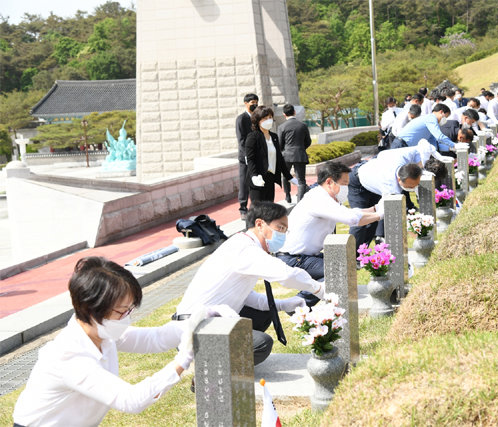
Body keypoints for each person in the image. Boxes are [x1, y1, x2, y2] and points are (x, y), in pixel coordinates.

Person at [12, 257, 224, 426]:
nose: (127, 318)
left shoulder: (102, 332)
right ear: (90, 308)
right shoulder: (69, 355)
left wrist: (195, 322)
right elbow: (130, 400)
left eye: (130, 309)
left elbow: (155, 338)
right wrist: (182, 361)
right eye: (122, 311)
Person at [175, 202, 324, 365]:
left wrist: (282, 304)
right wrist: (317, 288)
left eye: (285, 231)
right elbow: (286, 275)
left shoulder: (243, 244)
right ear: (260, 224)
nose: (283, 235)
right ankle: (211, 368)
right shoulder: (245, 249)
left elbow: (246, 297)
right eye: (280, 228)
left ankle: (224, 356)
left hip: (209, 320)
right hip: (195, 328)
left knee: (267, 310)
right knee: (260, 344)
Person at [277, 161, 384, 305]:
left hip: (306, 256)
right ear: (329, 182)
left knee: (343, 266)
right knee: (339, 270)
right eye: (344, 184)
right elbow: (351, 219)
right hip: (294, 258)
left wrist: (374, 209)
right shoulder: (319, 199)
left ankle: (304, 300)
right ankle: (298, 303)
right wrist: (379, 215)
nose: (347, 188)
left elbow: (350, 212)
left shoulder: (326, 197)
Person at [347, 143, 446, 251]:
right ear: (399, 180)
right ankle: (351, 257)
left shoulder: (403, 163)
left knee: (372, 224)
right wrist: (415, 230)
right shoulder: (391, 187)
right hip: (358, 182)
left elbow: (424, 145)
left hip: (373, 178)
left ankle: (361, 254)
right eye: (410, 186)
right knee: (360, 222)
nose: (413, 188)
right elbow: (390, 213)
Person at [245, 105, 297, 204]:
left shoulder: (274, 137)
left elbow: (279, 159)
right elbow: (250, 159)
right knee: (258, 210)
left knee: (269, 210)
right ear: (258, 120)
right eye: (265, 118)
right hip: (258, 179)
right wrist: (254, 176)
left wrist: (289, 177)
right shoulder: (253, 137)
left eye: (270, 118)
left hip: (270, 178)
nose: (268, 120)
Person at [278, 103, 311, 203]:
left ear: (284, 114)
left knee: (285, 176)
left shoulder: (281, 127)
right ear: (294, 112)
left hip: (286, 155)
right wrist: (301, 148)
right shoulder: (303, 125)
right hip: (300, 154)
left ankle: (288, 196)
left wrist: (284, 151)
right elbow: (308, 141)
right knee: (301, 180)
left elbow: (279, 143)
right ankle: (300, 201)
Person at [392, 104, 456, 155]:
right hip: (401, 144)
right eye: (445, 117)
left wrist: (450, 148)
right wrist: (454, 145)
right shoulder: (431, 118)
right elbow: (440, 137)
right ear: (441, 112)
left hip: (406, 146)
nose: (445, 120)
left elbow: (433, 145)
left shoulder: (431, 124)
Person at [236, 93, 259, 220]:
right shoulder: (241, 119)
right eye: (252, 102)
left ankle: (255, 207)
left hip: (257, 156)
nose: (254, 104)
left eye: (256, 102)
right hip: (245, 157)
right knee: (244, 182)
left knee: (257, 182)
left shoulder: (258, 118)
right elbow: (241, 140)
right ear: (246, 103)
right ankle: (243, 208)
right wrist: (247, 155)